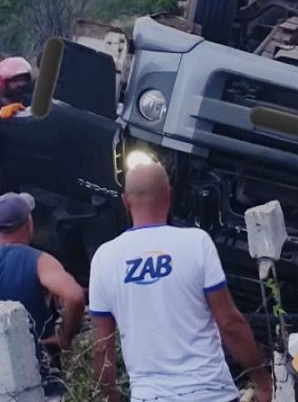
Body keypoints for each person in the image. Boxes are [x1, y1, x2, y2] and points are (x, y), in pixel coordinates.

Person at [89, 162, 273, 402]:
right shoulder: (196, 243)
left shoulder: (105, 258)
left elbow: (103, 346)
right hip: (211, 394)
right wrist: (262, 381)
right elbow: (229, 323)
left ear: (125, 201)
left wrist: (111, 397)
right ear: (170, 196)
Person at [0, 191, 86, 398]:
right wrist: (64, 336)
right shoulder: (38, 260)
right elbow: (74, 296)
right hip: (40, 380)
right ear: (28, 223)